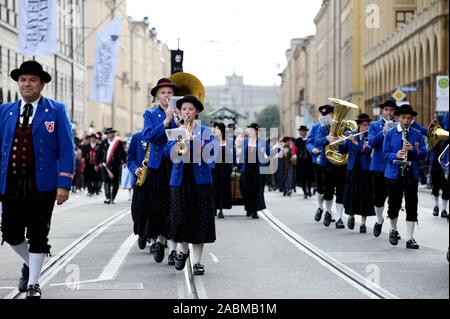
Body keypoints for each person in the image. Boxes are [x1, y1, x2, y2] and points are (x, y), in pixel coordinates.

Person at [0, 61, 75, 299]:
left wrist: (64, 183)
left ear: (42, 84)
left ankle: (33, 283)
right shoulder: (4, 110)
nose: (27, 84)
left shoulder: (56, 110)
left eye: (32, 80)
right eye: (23, 80)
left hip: (42, 183)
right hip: (10, 182)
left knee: (38, 233)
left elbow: (66, 149)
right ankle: (31, 263)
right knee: (10, 233)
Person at [164, 95, 216, 275]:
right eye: (184, 109)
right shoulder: (176, 130)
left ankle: (198, 262)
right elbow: (166, 152)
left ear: (197, 112)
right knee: (181, 220)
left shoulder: (207, 131)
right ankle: (183, 251)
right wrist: (175, 147)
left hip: (200, 182)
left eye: (190, 109)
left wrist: (196, 141)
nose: (187, 112)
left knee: (199, 221)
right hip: (179, 181)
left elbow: (213, 157)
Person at [142, 78, 179, 265]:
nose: (166, 96)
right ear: (157, 96)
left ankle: (173, 249)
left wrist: (178, 120)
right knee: (157, 206)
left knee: (173, 207)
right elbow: (148, 135)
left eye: (170, 93)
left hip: (174, 164)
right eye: (163, 93)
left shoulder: (180, 113)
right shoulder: (150, 114)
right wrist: (166, 121)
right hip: (157, 165)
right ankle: (157, 241)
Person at [383, 104, 426, 249]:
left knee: (412, 204)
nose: (406, 121)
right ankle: (393, 229)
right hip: (394, 173)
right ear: (397, 118)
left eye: (408, 118)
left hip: (411, 173)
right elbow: (384, 153)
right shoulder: (390, 133)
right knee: (394, 203)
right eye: (403, 118)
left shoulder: (417, 134)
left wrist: (413, 150)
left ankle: (410, 238)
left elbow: (424, 154)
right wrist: (396, 154)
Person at [315, 105, 348, 229]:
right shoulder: (323, 128)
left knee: (341, 190)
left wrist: (344, 141)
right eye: (330, 115)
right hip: (328, 162)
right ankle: (328, 211)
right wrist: (326, 138)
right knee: (328, 190)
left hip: (341, 162)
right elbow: (317, 141)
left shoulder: (344, 127)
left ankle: (339, 218)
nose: (332, 117)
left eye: (333, 114)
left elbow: (347, 145)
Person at [340, 113, 375, 233]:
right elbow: (343, 150)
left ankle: (363, 223)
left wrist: (355, 142)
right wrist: (340, 142)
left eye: (367, 125)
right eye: (364, 125)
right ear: (359, 125)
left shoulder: (369, 137)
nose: (366, 127)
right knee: (351, 195)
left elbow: (366, 151)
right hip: (352, 170)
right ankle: (351, 216)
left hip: (365, 171)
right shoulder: (350, 134)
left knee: (365, 196)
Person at [368, 99, 397, 237]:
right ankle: (379, 220)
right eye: (386, 110)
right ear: (382, 111)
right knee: (378, 199)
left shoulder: (399, 125)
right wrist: (384, 132)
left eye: (392, 110)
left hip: (393, 166)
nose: (389, 113)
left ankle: (393, 228)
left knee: (393, 199)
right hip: (379, 167)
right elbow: (372, 143)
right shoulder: (374, 125)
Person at [128, 131, 152, 250]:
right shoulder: (137, 137)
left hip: (156, 179)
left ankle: (154, 238)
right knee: (139, 209)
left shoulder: (162, 135)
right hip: (140, 180)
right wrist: (135, 169)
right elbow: (130, 159)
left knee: (155, 209)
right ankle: (142, 233)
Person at [307, 105, 330, 221]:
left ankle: (328, 211)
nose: (326, 117)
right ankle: (320, 207)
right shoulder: (316, 127)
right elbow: (309, 142)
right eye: (324, 115)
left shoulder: (335, 127)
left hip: (332, 160)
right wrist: (312, 149)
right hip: (318, 159)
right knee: (320, 185)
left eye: (328, 115)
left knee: (329, 186)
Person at [97, 128, 126, 205]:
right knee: (106, 181)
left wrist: (125, 161)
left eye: (111, 133)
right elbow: (99, 153)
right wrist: (97, 163)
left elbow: (123, 153)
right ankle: (108, 197)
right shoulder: (104, 142)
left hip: (116, 164)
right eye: (109, 133)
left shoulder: (118, 142)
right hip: (105, 165)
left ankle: (113, 197)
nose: (110, 134)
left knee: (115, 182)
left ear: (113, 133)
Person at [212, 122, 233, 219]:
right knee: (214, 187)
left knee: (223, 187)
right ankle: (214, 208)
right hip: (215, 167)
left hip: (225, 167)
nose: (215, 130)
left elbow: (232, 154)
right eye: (214, 128)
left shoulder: (228, 141)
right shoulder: (212, 140)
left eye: (217, 128)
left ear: (221, 130)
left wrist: (233, 166)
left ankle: (221, 209)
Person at [295, 126, 314, 199]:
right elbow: (295, 149)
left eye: (304, 131)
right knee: (302, 178)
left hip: (309, 161)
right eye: (301, 131)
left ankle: (309, 190)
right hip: (300, 161)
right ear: (300, 132)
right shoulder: (298, 140)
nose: (302, 132)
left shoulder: (309, 139)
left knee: (309, 177)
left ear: (306, 132)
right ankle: (305, 192)